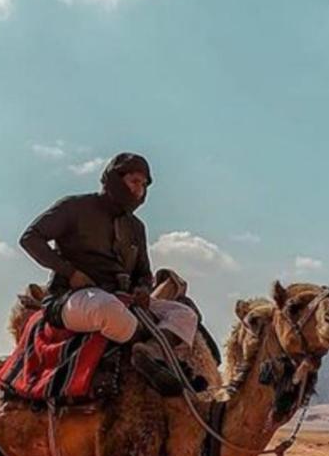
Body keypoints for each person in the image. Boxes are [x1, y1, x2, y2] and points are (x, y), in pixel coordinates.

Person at [18, 152, 198, 395]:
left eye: (144, 185)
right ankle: (151, 349)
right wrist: (69, 272)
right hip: (73, 298)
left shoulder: (136, 227)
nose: (140, 190)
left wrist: (144, 289)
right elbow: (30, 239)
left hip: (123, 300)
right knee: (107, 309)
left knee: (185, 314)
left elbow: (144, 273)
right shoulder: (74, 207)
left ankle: (149, 353)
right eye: (135, 181)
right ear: (115, 179)